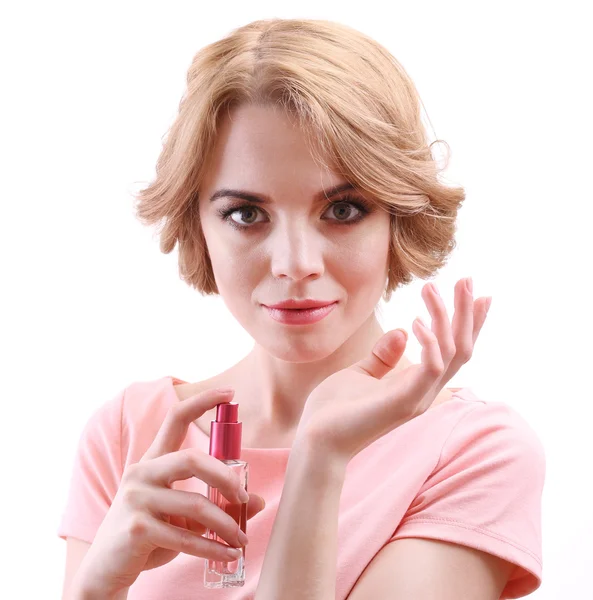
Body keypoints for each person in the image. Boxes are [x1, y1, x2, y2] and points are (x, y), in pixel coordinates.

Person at [57, 17, 545, 600]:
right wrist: (94, 592)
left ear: (398, 217)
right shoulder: (130, 433)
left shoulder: (472, 451)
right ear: (198, 226)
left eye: (342, 210)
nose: (295, 263)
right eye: (246, 213)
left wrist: (320, 459)